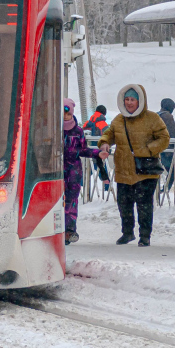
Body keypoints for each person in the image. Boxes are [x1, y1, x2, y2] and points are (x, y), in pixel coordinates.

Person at [97, 84, 169, 246]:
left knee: (144, 204)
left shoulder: (152, 118)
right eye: (127, 99)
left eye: (133, 100)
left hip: (146, 170)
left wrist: (147, 150)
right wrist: (104, 143)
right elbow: (109, 134)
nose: (129, 103)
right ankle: (127, 233)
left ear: (140, 101)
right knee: (124, 203)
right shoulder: (118, 119)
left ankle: (145, 236)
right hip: (124, 169)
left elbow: (164, 138)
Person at [62, 97, 105, 244]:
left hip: (73, 172)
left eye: (67, 113)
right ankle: (58, 231)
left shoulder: (78, 130)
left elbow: (83, 150)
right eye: (62, 112)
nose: (65, 116)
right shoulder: (54, 129)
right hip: (56, 171)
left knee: (72, 202)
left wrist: (97, 153)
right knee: (58, 202)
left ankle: (69, 231)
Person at [83, 105, 111, 193]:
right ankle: (107, 189)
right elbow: (108, 135)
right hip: (100, 152)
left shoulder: (88, 122)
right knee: (103, 169)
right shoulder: (103, 123)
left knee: (88, 170)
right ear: (104, 113)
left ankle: (81, 188)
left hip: (90, 151)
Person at [157, 98, 175, 172]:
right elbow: (172, 133)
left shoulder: (156, 115)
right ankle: (166, 184)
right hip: (168, 149)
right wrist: (174, 147)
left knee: (159, 171)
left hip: (158, 147)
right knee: (171, 173)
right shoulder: (168, 116)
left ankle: (163, 184)